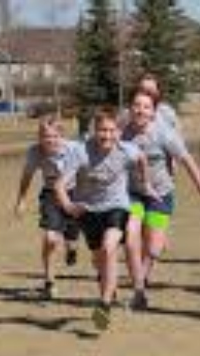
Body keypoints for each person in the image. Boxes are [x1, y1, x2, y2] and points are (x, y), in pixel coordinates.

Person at [54, 108, 151, 333]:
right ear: (93, 131)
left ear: (119, 132)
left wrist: (145, 184)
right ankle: (108, 293)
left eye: (111, 130)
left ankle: (104, 304)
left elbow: (142, 158)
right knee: (100, 260)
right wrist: (68, 206)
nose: (107, 135)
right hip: (88, 211)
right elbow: (59, 185)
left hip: (117, 207)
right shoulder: (81, 152)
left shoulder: (127, 150)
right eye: (102, 130)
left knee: (110, 248)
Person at [121, 89, 200, 310]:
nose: (140, 110)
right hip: (133, 194)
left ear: (153, 112)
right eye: (136, 105)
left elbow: (185, 158)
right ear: (130, 108)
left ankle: (142, 278)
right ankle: (138, 289)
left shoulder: (163, 133)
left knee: (153, 248)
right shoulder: (122, 132)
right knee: (131, 236)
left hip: (161, 195)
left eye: (146, 107)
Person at [13, 116, 83, 299]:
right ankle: (49, 282)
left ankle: (71, 248)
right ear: (39, 137)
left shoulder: (75, 149)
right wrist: (21, 200)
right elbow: (27, 176)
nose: (49, 140)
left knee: (72, 238)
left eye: (54, 136)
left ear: (61, 136)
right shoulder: (34, 152)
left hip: (74, 193)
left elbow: (88, 170)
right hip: (51, 194)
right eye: (45, 136)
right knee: (50, 238)